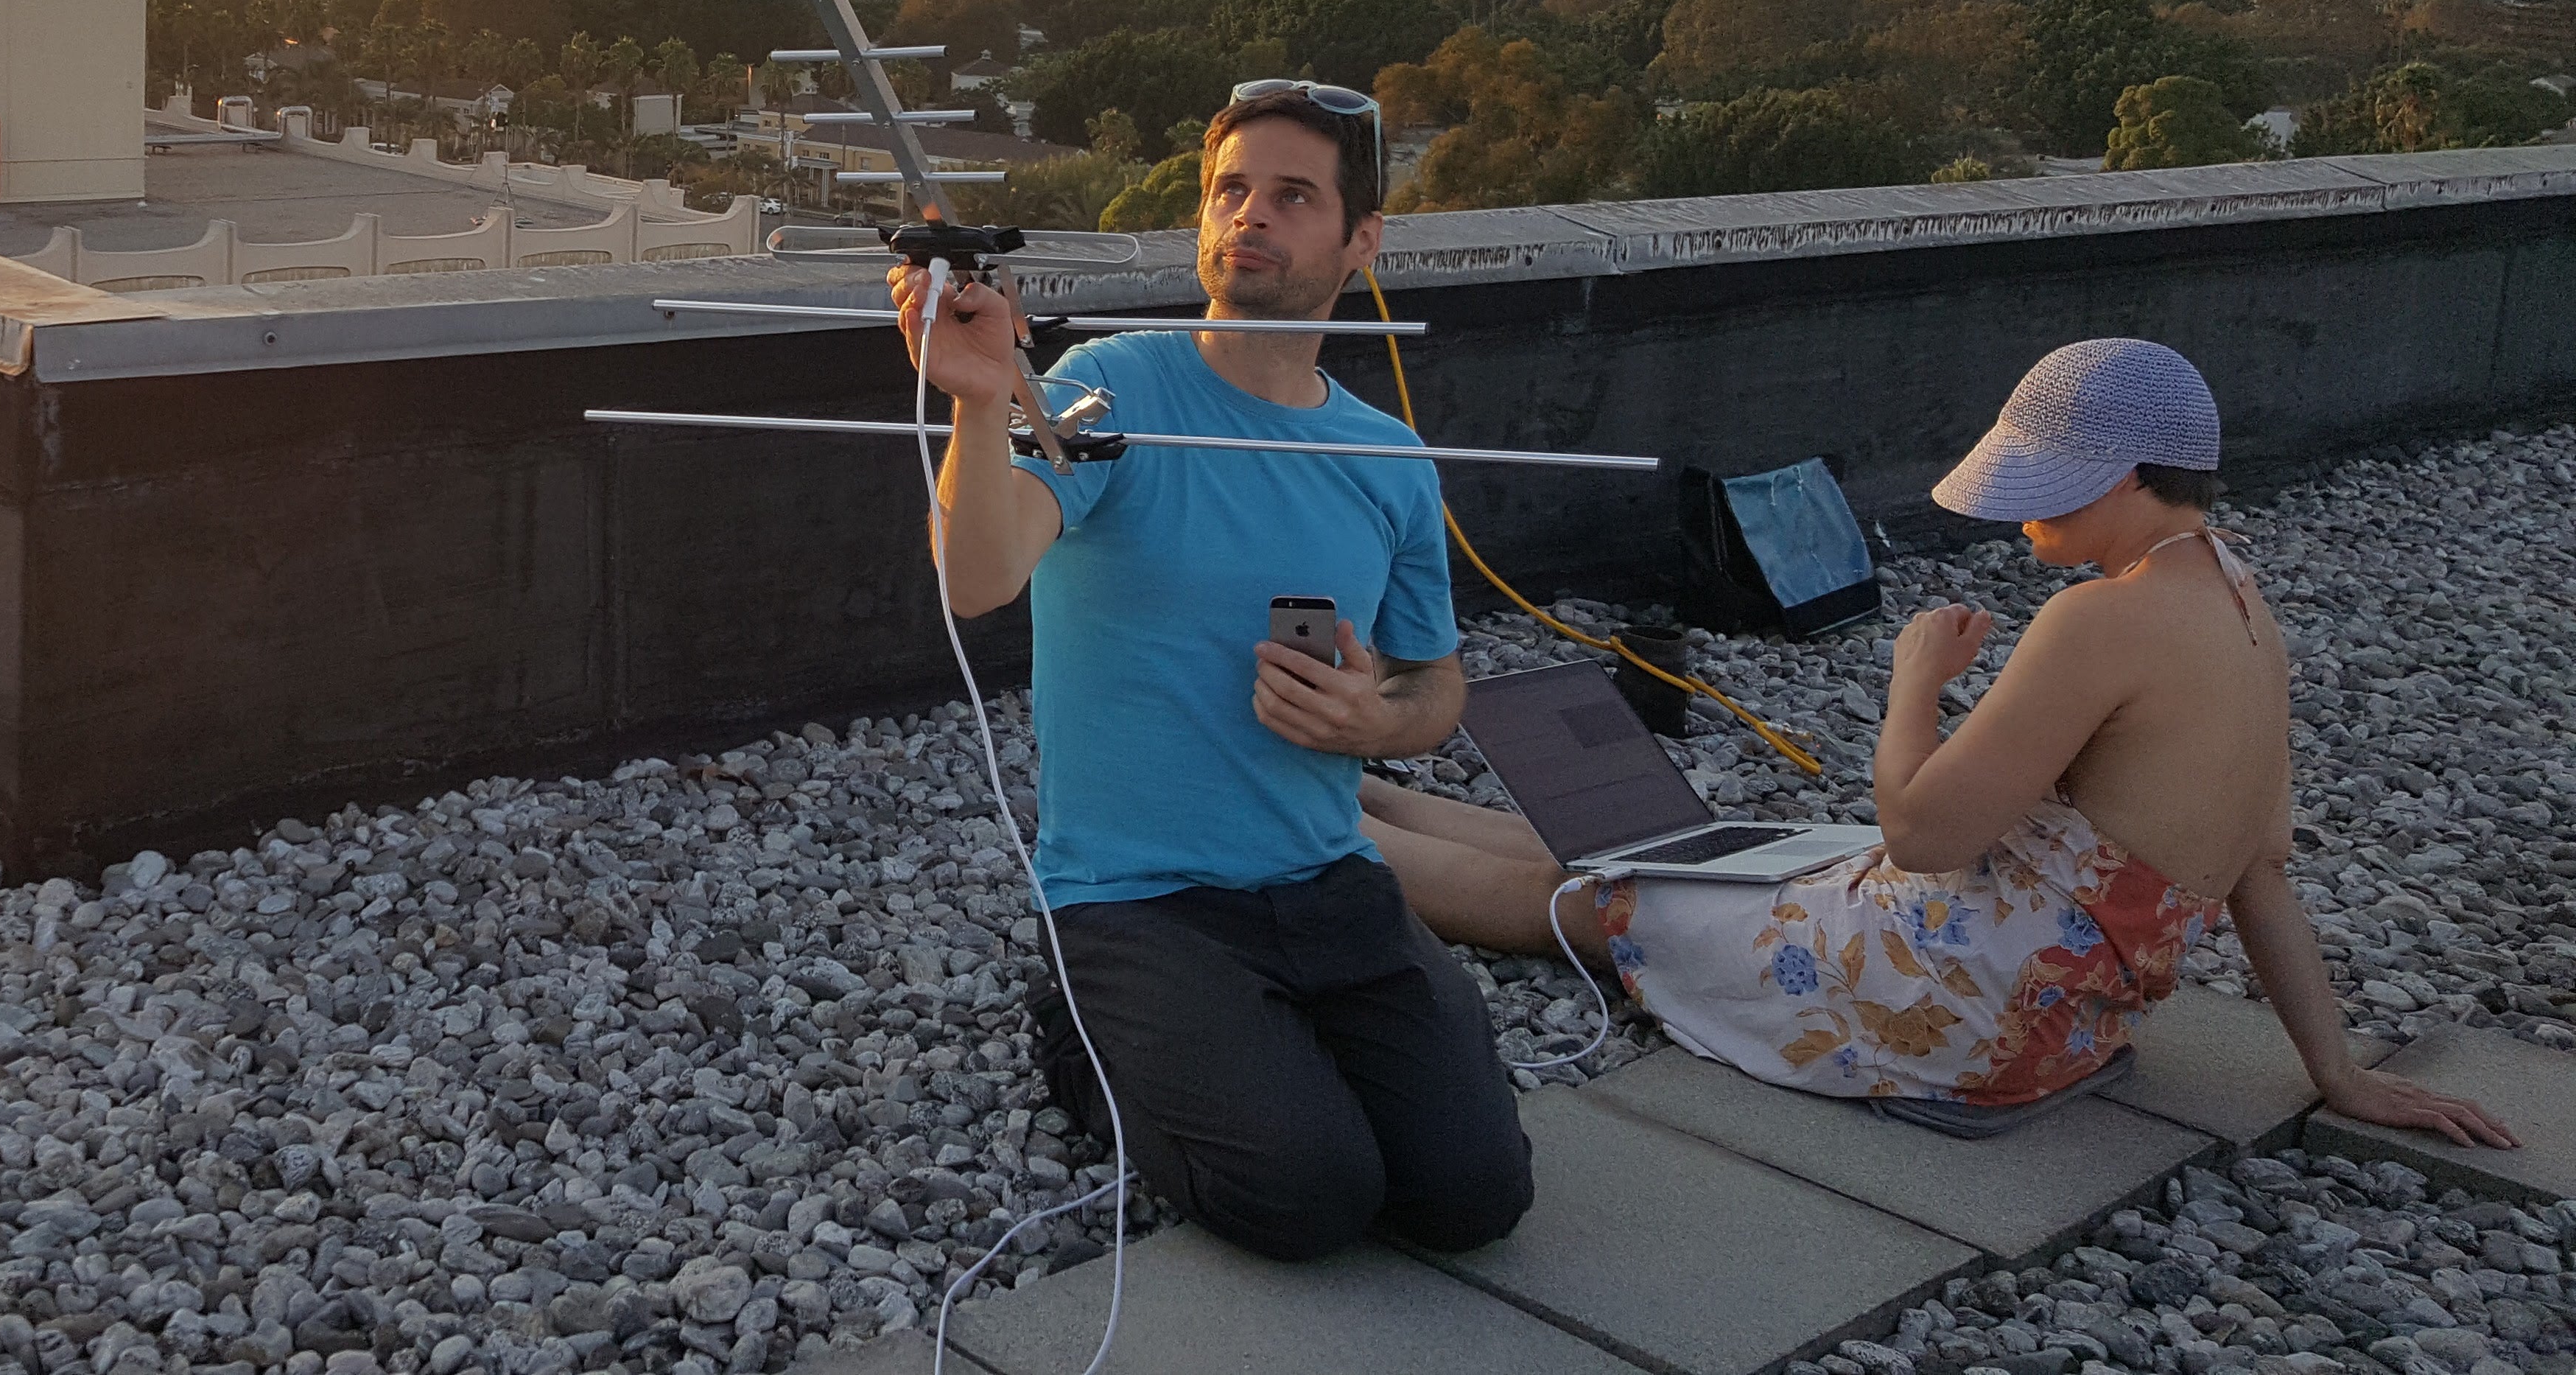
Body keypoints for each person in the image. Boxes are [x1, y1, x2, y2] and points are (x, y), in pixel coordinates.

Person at [1365, 338, 2515, 1144]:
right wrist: (2337, 1070)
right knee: (1670, 844)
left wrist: (1915, 682)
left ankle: (1316, 828)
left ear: (2119, 475)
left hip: (1961, 1012)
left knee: (1612, 903)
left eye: (2040, 484)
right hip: (2060, 1025)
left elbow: (1917, 833)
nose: (2019, 514)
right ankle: (1367, 796)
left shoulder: (2101, 619)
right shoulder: (2243, 609)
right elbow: (2261, 870)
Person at [894, 80, 1534, 1262]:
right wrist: (984, 406)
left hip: (1332, 878)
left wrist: (1369, 718)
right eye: (1231, 190)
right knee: (1307, 1199)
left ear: (1362, 240)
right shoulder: (1110, 389)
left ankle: (1261, 1052)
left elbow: (1433, 691)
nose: (1252, 215)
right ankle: (1083, 1031)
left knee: (1472, 1198)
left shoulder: (1388, 458)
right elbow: (978, 577)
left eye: (1295, 196)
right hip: (1140, 901)